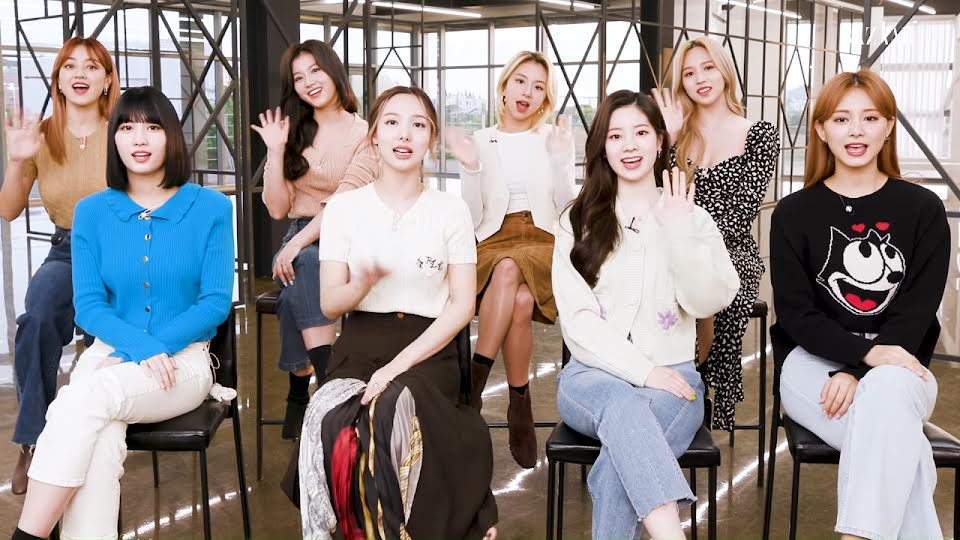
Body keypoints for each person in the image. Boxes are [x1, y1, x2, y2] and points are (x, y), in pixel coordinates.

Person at [9, 86, 234, 540]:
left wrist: (144, 350)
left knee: (78, 401)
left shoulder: (210, 207)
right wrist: (131, 348)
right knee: (99, 439)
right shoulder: (92, 212)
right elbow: (89, 306)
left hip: (182, 360)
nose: (139, 138)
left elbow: (213, 303)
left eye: (152, 127)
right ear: (114, 139)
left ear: (172, 137)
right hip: (107, 354)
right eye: (127, 128)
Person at [294, 86, 497, 540]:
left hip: (429, 349)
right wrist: (359, 285)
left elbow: (462, 305)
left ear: (431, 139)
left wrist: (394, 368)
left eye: (418, 124)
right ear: (374, 137)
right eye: (391, 122)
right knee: (329, 417)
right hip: (360, 344)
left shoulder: (451, 210)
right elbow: (329, 304)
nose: (404, 134)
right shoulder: (344, 208)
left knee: (388, 409)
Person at [770, 69, 949, 539]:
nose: (855, 130)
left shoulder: (923, 209)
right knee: (903, 445)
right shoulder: (793, 213)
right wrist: (861, 356)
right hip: (812, 365)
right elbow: (796, 314)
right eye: (841, 119)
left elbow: (916, 311)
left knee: (887, 397)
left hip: (902, 362)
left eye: (869, 118)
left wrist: (861, 370)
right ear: (820, 129)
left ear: (888, 126)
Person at [553, 89, 739, 539]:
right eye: (616, 135)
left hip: (676, 381)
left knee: (620, 464)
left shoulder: (690, 216)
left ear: (660, 141)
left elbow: (708, 301)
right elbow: (578, 322)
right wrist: (643, 371)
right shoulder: (575, 221)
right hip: (590, 379)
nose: (629, 145)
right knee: (623, 404)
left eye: (640, 132)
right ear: (602, 147)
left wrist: (678, 230)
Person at [1, 36, 120, 495]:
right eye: (70, 66)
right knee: (36, 319)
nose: (80, 74)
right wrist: (17, 160)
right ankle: (34, 441)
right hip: (68, 248)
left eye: (91, 66)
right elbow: (8, 209)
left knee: (107, 341)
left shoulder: (125, 129)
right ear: (58, 79)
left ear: (107, 79)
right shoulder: (42, 136)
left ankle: (96, 439)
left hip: (123, 249)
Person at [445, 50, 575, 468]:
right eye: (520, 81)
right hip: (492, 236)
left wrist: (560, 160)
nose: (527, 92)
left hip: (542, 237)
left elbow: (565, 206)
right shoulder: (481, 140)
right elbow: (473, 216)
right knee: (518, 300)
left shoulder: (552, 138)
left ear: (545, 99)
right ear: (504, 87)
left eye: (538, 87)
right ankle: (520, 403)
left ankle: (473, 386)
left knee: (509, 267)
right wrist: (470, 168)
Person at [251, 39, 378, 439]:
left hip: (352, 236)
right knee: (303, 268)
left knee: (299, 271)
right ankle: (328, 384)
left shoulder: (365, 133)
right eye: (298, 77)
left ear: (333, 70)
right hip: (302, 232)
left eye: (315, 71)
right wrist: (275, 151)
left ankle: (302, 388)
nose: (308, 82)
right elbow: (277, 209)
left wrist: (295, 245)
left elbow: (346, 200)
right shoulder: (293, 131)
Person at [654, 36, 780, 430]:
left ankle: (699, 382)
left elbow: (742, 211)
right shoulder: (677, 134)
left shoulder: (759, 133)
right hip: (673, 242)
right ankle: (664, 383)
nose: (700, 79)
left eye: (708, 68)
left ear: (724, 72)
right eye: (689, 73)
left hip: (731, 249)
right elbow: (655, 194)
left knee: (710, 284)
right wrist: (668, 139)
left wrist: (695, 241)